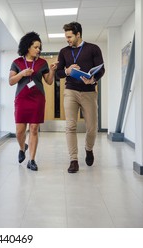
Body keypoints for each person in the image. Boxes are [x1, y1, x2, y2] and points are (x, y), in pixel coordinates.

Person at [56, 22, 105, 173]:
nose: (67, 39)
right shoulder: (64, 51)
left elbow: (101, 69)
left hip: (89, 91)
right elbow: (58, 73)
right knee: (70, 126)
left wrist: (93, 79)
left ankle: (89, 149)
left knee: (92, 127)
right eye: (66, 37)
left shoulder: (93, 48)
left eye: (69, 36)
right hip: (70, 91)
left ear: (78, 34)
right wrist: (67, 71)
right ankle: (73, 160)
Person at [9, 31, 57, 171]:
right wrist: (22, 73)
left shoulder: (42, 63)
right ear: (27, 47)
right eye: (36, 47)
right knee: (19, 131)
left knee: (34, 129)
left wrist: (52, 70)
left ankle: (32, 160)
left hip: (37, 99)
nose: (38, 50)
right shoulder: (17, 62)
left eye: (39, 47)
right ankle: (22, 147)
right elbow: (11, 81)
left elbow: (48, 81)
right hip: (22, 99)